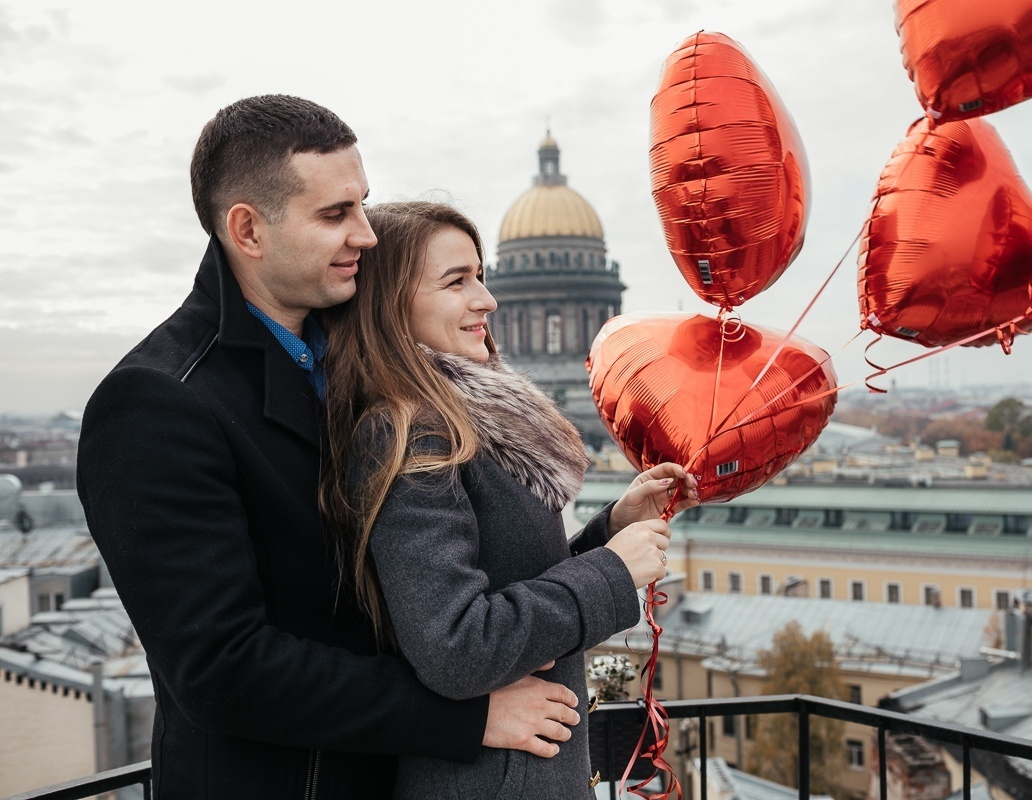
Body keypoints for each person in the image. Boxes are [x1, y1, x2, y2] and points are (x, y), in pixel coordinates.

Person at [76, 96, 584, 799]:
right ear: (248, 230)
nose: (368, 235)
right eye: (334, 214)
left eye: (363, 206)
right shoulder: (157, 403)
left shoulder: (371, 361)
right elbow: (224, 671)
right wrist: (458, 715)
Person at [319, 200, 700, 799]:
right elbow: (456, 645)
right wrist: (612, 572)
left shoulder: (470, 420)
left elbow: (510, 578)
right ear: (392, 305)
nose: (488, 301)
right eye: (457, 281)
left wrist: (611, 529)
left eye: (482, 276)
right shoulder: (413, 432)